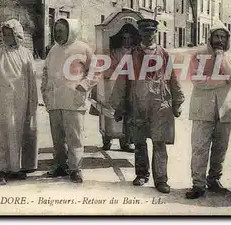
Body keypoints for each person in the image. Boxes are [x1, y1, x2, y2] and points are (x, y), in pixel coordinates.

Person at [110, 18, 185, 194]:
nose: (148, 35)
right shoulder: (131, 55)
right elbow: (122, 80)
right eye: (145, 32)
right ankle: (142, 174)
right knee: (139, 141)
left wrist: (177, 102)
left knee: (159, 142)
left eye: (151, 32)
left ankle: (161, 179)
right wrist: (119, 106)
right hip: (138, 103)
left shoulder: (164, 54)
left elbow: (172, 77)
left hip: (160, 104)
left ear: (155, 33)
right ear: (140, 34)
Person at [0, 19, 38, 185]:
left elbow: (31, 78)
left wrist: (32, 100)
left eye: (10, 34)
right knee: (1, 133)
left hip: (21, 100)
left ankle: (14, 168)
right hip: (1, 101)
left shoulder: (26, 54)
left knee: (17, 132)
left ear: (17, 34)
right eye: (4, 34)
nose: (6, 37)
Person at [185, 24, 231, 199]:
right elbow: (197, 80)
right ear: (210, 38)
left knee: (220, 148)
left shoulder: (230, 58)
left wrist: (222, 60)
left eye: (223, 37)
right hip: (203, 109)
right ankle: (198, 184)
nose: (220, 40)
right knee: (200, 147)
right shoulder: (199, 56)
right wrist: (223, 80)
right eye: (216, 36)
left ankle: (214, 180)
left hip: (224, 110)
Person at [41, 18, 100, 183]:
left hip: (74, 100)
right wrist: (45, 91)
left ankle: (75, 169)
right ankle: (60, 165)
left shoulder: (82, 48)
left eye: (61, 31)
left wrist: (85, 85)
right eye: (56, 31)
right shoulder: (53, 50)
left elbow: (95, 70)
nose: (57, 34)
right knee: (57, 137)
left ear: (70, 31)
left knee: (74, 137)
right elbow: (45, 72)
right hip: (54, 100)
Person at [102, 25, 137, 153]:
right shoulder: (115, 52)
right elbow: (110, 67)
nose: (127, 41)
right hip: (116, 84)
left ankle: (127, 142)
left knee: (130, 113)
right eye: (124, 39)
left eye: (129, 39)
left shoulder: (136, 51)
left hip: (132, 86)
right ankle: (108, 138)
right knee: (112, 111)